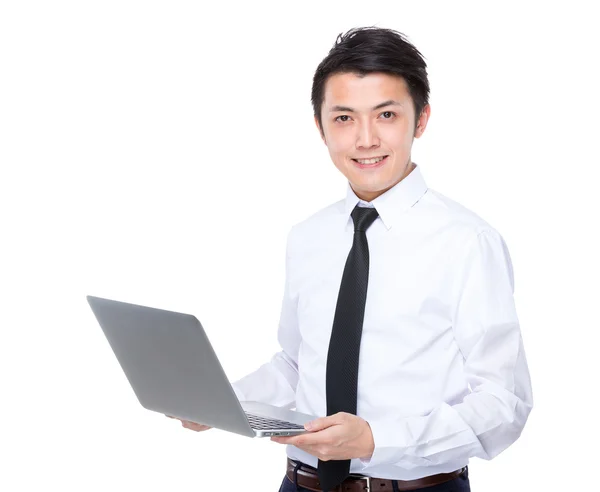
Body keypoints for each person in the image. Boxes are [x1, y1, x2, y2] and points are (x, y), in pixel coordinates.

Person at [168, 26, 534, 492]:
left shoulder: (468, 241)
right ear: (320, 127)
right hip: (300, 484)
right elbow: (298, 365)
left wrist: (375, 441)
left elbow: (504, 403)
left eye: (386, 114)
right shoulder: (308, 236)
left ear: (420, 120)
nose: (365, 139)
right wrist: (223, 403)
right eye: (344, 118)